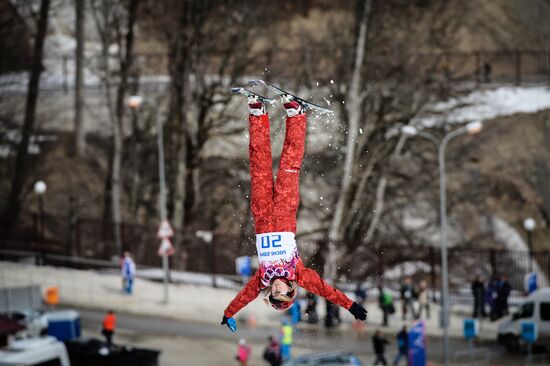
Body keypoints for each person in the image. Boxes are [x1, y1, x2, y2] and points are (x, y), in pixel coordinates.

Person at [221, 95, 367, 332]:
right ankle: (296, 114)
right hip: (284, 211)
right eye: (282, 294)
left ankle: (257, 113)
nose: (278, 290)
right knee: (290, 165)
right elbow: (325, 290)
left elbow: (243, 297)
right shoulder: (298, 274)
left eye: (274, 294)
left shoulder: (262, 279)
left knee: (259, 166)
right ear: (290, 291)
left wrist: (228, 313)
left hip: (261, 213)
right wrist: (350, 305)